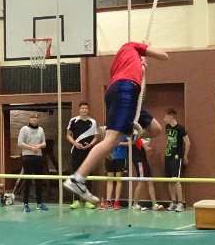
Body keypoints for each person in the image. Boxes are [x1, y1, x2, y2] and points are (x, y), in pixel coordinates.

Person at [64, 41, 168, 203]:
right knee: (111, 140)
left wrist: (142, 67)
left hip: (127, 94)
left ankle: (130, 132)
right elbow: (164, 56)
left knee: (155, 129)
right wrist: (146, 49)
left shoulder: (122, 63)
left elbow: (140, 90)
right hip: (125, 91)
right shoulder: (132, 46)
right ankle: (78, 178)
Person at [66, 102, 98, 209]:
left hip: (88, 153)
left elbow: (96, 137)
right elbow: (68, 135)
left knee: (87, 176)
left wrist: (90, 144)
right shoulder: (73, 121)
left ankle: (88, 201)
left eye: (86, 108)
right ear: (79, 109)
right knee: (75, 176)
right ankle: (76, 201)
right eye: (82, 108)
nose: (84, 110)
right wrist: (75, 143)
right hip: (75, 152)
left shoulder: (92, 122)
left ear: (88, 110)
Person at [17, 112, 48, 213]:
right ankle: (25, 204)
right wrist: (31, 148)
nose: (34, 119)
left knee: (39, 181)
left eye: (36, 118)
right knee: (28, 181)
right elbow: (20, 143)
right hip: (27, 157)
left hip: (38, 157)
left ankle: (39, 203)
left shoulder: (41, 129)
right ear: (29, 119)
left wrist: (39, 146)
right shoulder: (24, 129)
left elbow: (44, 143)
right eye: (32, 118)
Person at [162, 108, 190, 212]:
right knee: (169, 180)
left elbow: (188, 143)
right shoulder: (167, 127)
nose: (164, 118)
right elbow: (168, 140)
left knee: (176, 180)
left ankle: (180, 203)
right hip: (168, 156)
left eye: (166, 116)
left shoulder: (180, 129)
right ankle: (173, 202)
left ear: (171, 116)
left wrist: (185, 156)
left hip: (177, 157)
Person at [130, 135, 164, 211]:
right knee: (141, 181)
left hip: (144, 160)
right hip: (139, 161)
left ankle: (154, 204)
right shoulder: (135, 135)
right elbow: (136, 140)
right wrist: (146, 147)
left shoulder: (141, 135)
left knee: (150, 181)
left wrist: (146, 147)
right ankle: (134, 204)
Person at [100, 132, 127, 210]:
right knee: (110, 179)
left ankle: (116, 202)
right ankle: (108, 201)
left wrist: (120, 143)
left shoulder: (125, 130)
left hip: (120, 157)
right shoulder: (109, 130)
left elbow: (131, 142)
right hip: (109, 156)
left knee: (118, 179)